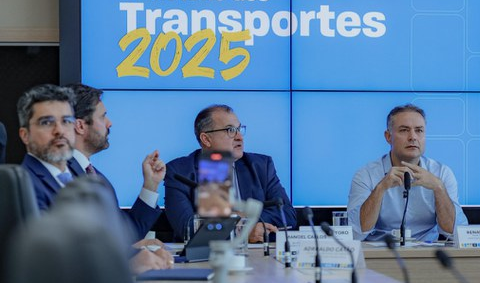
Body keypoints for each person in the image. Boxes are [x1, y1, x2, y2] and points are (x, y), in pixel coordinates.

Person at [164, 104, 296, 242]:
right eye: (230, 130)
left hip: (257, 256)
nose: (239, 137)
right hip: (204, 259)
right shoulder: (179, 171)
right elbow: (187, 227)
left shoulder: (261, 166)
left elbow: (287, 214)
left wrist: (241, 221)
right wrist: (241, 231)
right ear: (206, 139)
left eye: (239, 129)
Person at [347, 103, 468, 241]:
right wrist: (380, 189)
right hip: (380, 255)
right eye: (404, 130)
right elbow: (355, 233)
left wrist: (439, 188)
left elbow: (457, 234)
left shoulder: (441, 173)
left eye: (419, 130)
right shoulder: (366, 175)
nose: (413, 137)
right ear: (388, 136)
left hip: (428, 255)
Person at [68, 83, 164, 241]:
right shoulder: (63, 175)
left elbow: (128, 234)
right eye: (102, 116)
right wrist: (131, 253)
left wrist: (150, 185)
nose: (109, 123)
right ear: (80, 126)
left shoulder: (96, 176)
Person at [18, 84, 80, 211]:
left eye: (66, 121)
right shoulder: (23, 187)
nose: (59, 131)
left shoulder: (83, 177)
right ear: (25, 135)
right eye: (47, 122)